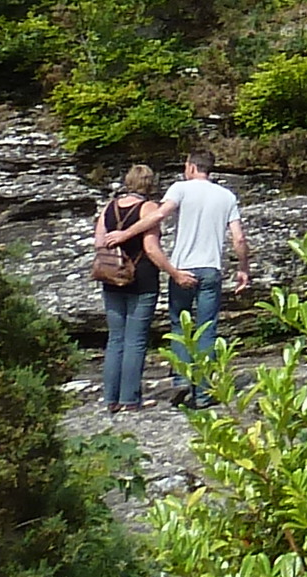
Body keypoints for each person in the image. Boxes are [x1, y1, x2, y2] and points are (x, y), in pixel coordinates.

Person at [157, 154, 251, 408]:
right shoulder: (227, 196)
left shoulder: (180, 189)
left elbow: (161, 214)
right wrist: (243, 268)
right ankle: (204, 392)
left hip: (183, 267)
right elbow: (239, 239)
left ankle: (181, 379)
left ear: (191, 166)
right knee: (207, 328)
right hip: (210, 268)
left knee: (180, 325)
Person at [91, 165, 165, 412]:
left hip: (111, 276)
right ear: (149, 183)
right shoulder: (149, 208)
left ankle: (111, 399)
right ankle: (130, 399)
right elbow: (151, 247)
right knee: (135, 340)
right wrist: (172, 271)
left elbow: (99, 242)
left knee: (115, 339)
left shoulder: (109, 208)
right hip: (141, 277)